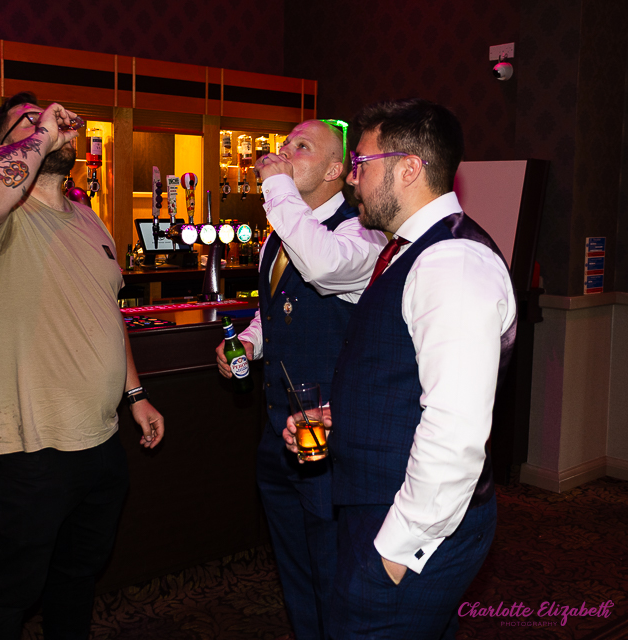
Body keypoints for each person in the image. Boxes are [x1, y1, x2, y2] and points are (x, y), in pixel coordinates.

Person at [285, 98, 517, 639]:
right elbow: (401, 378)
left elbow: (455, 430)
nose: (352, 182)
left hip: (410, 526)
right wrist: (337, 415)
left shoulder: (452, 260)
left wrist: (394, 551)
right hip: (383, 506)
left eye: (362, 165)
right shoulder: (411, 251)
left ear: (409, 168)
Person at [0, 91, 164, 640]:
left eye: (48, 120)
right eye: (26, 124)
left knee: (76, 580)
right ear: (4, 151)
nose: (48, 125)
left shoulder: (89, 218)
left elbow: (106, 310)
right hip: (23, 447)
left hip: (98, 442)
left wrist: (136, 394)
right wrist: (41, 133)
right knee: (7, 595)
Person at [216, 120, 385, 639]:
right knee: (294, 570)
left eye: (301, 147)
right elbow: (275, 310)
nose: (285, 152)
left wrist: (275, 185)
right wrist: (250, 341)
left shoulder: (361, 232)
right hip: (276, 431)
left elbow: (324, 269)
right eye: (284, 144)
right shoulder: (280, 235)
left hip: (331, 438)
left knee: (334, 571)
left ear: (337, 170)